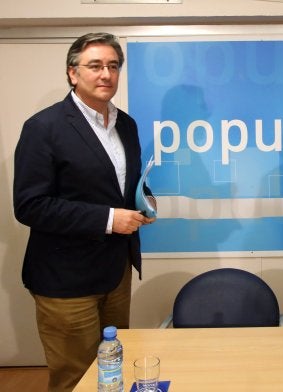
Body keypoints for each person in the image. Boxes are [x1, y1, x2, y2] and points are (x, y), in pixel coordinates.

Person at [13, 32, 155, 392]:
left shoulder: (126, 124)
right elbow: (30, 204)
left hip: (115, 272)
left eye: (113, 66)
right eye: (95, 66)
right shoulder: (43, 128)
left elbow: (122, 183)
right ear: (72, 73)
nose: (106, 74)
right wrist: (109, 219)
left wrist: (143, 200)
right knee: (76, 378)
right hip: (65, 281)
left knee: (113, 368)